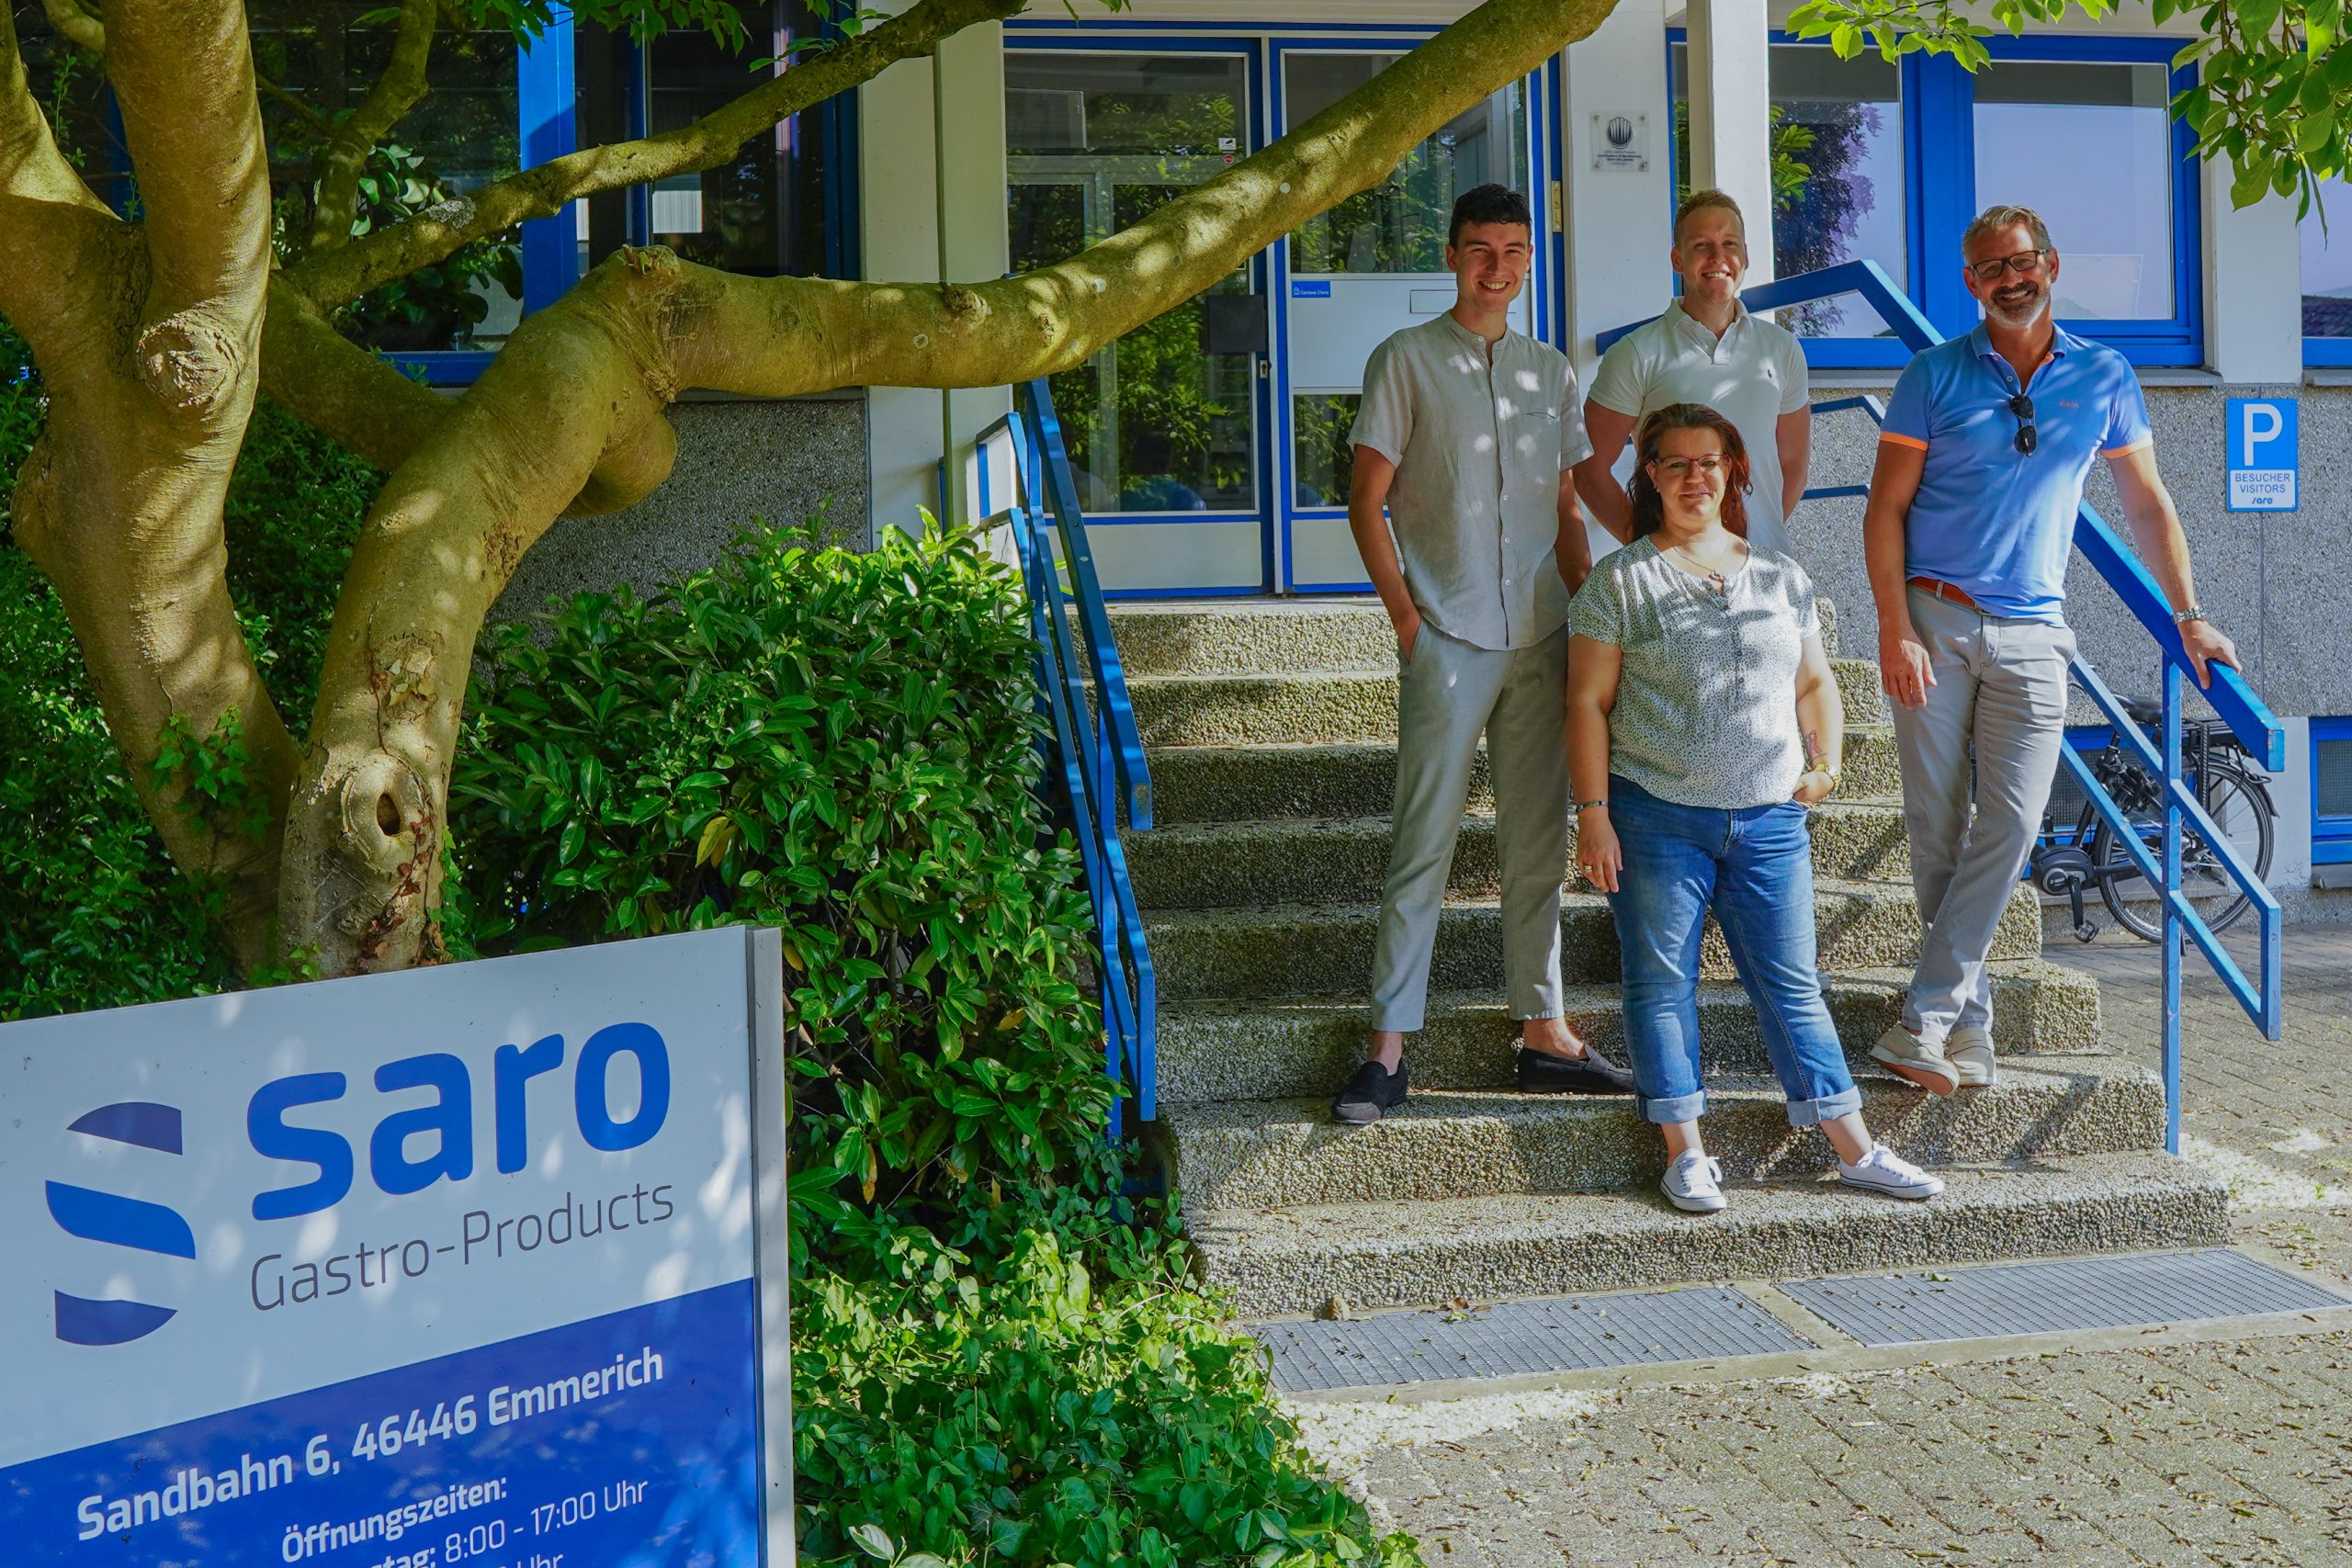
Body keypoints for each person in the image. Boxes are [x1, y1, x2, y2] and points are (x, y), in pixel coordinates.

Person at [1863, 204, 2239, 1094]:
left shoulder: (2105, 375)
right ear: (1970, 281)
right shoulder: (1932, 374)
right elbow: (1884, 508)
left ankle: (1924, 1018)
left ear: (2051, 264)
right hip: (1936, 618)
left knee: (2014, 825)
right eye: (1991, 267)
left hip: (2036, 633)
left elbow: (2145, 504)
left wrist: (2187, 614)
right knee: (1936, 828)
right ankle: (1967, 1030)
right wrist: (1893, 625)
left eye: (2022, 261)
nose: (2010, 278)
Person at [1568, 403, 1943, 1212]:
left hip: (1770, 819)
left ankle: (1855, 1147)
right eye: (1675, 463)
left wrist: (1828, 761)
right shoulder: (1620, 581)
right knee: (1660, 984)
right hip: (1656, 814)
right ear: (1650, 476)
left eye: (1708, 461)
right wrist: (1593, 812)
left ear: (1733, 471)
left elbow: (1815, 682)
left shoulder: (1780, 575)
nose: (1693, 477)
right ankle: (1687, 1154)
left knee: (1793, 983)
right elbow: (1587, 704)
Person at [1331, 183, 1635, 1125]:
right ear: (1452, 255)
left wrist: (1588, 612)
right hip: (1448, 635)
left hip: (1543, 631)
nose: (1495, 267)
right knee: (1422, 839)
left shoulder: (1551, 371)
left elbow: (1564, 506)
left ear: (1528, 262)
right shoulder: (1406, 359)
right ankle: (1388, 1048)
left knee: (1536, 842)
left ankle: (1543, 1030)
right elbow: (1366, 501)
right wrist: (1406, 620)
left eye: (1512, 251)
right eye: (1479, 249)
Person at [1572, 189, 1812, 554]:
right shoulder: (1636, 353)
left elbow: (1792, 465)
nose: (1718, 257)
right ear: (1677, 259)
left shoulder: (1782, 348)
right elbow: (1588, 468)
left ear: (1745, 256)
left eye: (1729, 244)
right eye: (1701, 245)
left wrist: (1758, 538)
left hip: (1766, 563)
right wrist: (1649, 548)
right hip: (1675, 574)